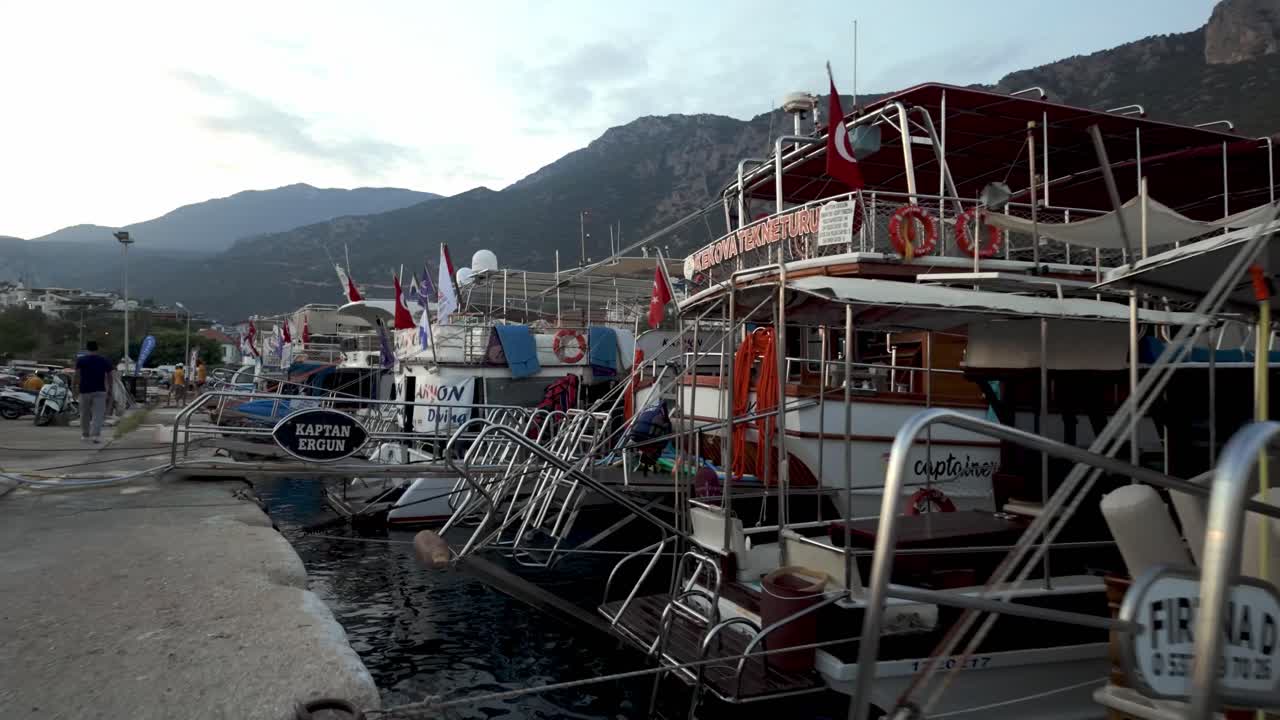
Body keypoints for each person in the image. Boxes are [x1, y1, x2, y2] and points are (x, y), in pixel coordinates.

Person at [74, 341, 113, 443]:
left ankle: (85, 435)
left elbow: (77, 376)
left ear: (87, 349)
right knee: (98, 414)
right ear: (97, 349)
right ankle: (96, 435)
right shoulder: (104, 360)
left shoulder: (81, 360)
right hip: (100, 390)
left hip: (84, 390)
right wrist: (110, 389)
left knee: (84, 414)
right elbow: (110, 376)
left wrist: (74, 388)